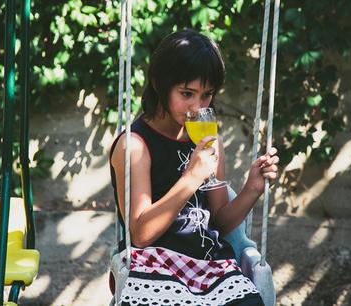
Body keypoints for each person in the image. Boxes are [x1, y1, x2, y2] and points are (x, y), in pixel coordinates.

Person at [110, 29, 279, 306]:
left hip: (210, 264)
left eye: (206, 95)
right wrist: (191, 177)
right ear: (158, 84)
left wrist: (252, 188)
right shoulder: (136, 146)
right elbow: (140, 235)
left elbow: (219, 223)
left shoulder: (208, 141)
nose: (197, 106)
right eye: (186, 93)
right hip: (153, 264)